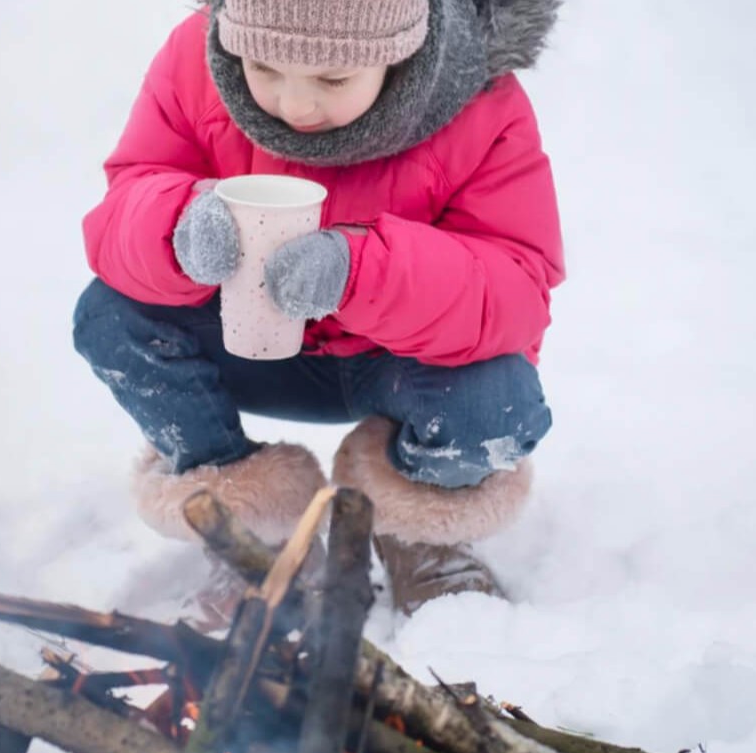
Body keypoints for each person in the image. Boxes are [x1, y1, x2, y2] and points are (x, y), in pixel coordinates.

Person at [73, 0, 564, 622]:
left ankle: (420, 533)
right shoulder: (194, 58)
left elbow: (517, 285)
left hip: (402, 361)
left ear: (399, 50)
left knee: (494, 401)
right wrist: (177, 226)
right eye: (264, 67)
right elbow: (129, 195)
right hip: (242, 341)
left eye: (332, 80)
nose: (296, 105)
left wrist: (362, 272)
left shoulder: (480, 101)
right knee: (110, 317)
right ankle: (253, 528)